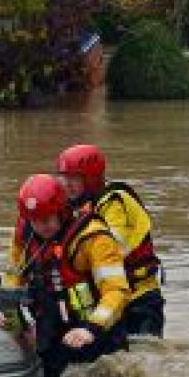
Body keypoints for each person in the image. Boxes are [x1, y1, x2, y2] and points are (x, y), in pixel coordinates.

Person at [1, 174, 131, 377]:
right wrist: (12, 316)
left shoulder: (93, 238)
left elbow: (117, 291)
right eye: (35, 221)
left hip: (94, 334)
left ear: (62, 211)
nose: (41, 226)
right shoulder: (25, 233)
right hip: (52, 331)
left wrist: (91, 328)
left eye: (47, 219)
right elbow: (13, 275)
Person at [56, 144, 165, 337]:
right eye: (63, 177)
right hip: (111, 296)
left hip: (138, 299)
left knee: (144, 356)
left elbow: (108, 252)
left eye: (73, 178)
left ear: (91, 178)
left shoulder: (115, 203)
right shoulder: (81, 207)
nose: (66, 183)